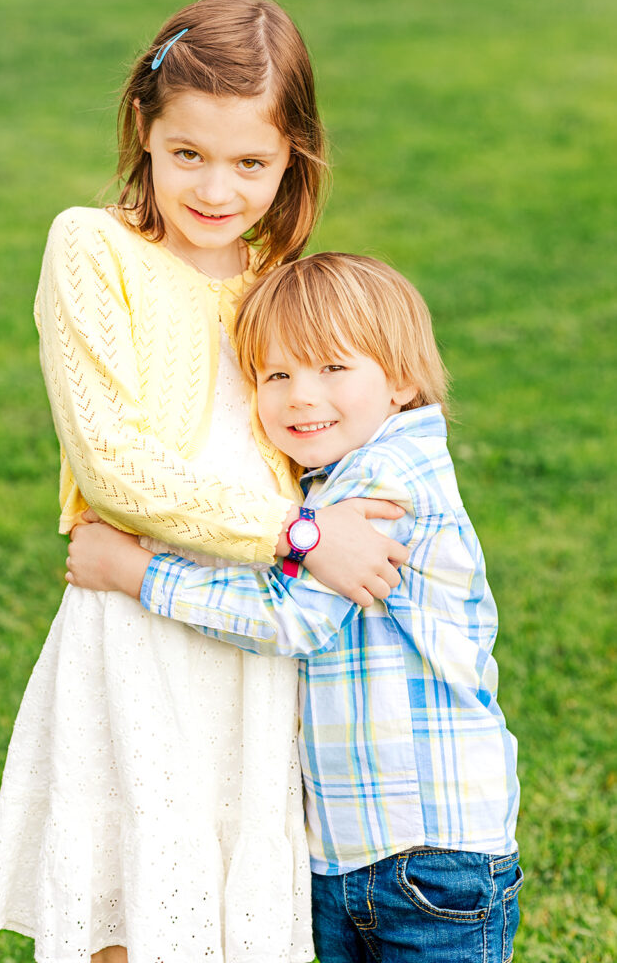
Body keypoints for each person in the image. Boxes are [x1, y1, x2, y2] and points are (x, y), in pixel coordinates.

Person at [0, 0, 409, 963]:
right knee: (132, 906)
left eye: (251, 162)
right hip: (137, 626)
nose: (217, 188)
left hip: (251, 631)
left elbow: (331, 430)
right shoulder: (93, 247)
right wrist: (299, 537)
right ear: (144, 131)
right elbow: (116, 466)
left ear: (293, 156)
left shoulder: (275, 279)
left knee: (231, 909)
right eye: (188, 155)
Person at [66, 253, 523, 963]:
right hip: (354, 854)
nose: (300, 397)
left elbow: (291, 617)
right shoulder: (333, 479)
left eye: (332, 368)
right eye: (276, 375)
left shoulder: (385, 475)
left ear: (401, 381)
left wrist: (137, 571)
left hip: (428, 852)